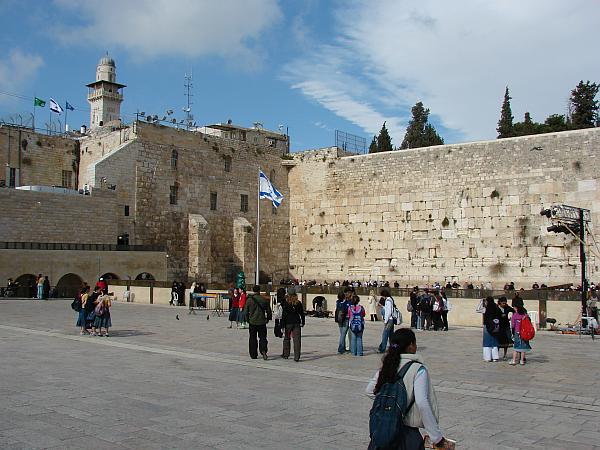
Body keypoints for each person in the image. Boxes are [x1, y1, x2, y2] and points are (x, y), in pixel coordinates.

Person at [366, 329, 448, 449]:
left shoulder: (388, 365)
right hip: (407, 434)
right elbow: (422, 403)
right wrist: (436, 437)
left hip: (385, 429)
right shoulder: (417, 369)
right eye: (415, 343)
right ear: (410, 345)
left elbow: (369, 390)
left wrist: (391, 405)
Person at [242, 285, 272, 360]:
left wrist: (247, 319)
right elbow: (269, 311)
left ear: (253, 290)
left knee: (252, 338)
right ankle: (263, 351)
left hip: (252, 322)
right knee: (262, 337)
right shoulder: (263, 299)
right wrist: (268, 318)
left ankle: (253, 354)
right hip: (262, 322)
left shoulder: (249, 300)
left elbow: (245, 312)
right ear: (259, 290)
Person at [281, 291, 305, 361]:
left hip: (288, 322)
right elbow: (302, 313)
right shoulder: (298, 303)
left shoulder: (286, 303)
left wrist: (282, 324)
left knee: (287, 338)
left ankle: (286, 354)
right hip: (296, 322)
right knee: (297, 340)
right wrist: (303, 322)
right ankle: (297, 357)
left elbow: (284, 315)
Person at [477, 296, 501, 362]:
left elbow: (478, 309)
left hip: (487, 326)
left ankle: (487, 358)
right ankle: (495, 357)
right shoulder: (496, 307)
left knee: (487, 342)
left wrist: (481, 302)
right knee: (494, 341)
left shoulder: (485, 309)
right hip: (495, 325)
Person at [510, 297, 532, 365]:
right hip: (524, 332)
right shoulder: (525, 315)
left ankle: (514, 360)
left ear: (516, 308)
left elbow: (512, 325)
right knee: (523, 347)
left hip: (517, 332)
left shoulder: (514, 315)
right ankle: (522, 360)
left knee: (516, 346)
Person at [335, 289, 353, 354]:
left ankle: (343, 347)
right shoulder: (347, 303)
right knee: (343, 335)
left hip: (339, 320)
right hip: (345, 319)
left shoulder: (337, 302)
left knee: (342, 334)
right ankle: (341, 348)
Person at [378, 288, 395, 353]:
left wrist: (385, 321)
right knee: (391, 336)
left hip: (389, 321)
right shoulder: (391, 300)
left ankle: (382, 348)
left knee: (385, 335)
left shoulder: (388, 301)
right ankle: (394, 348)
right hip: (391, 320)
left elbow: (388, 312)